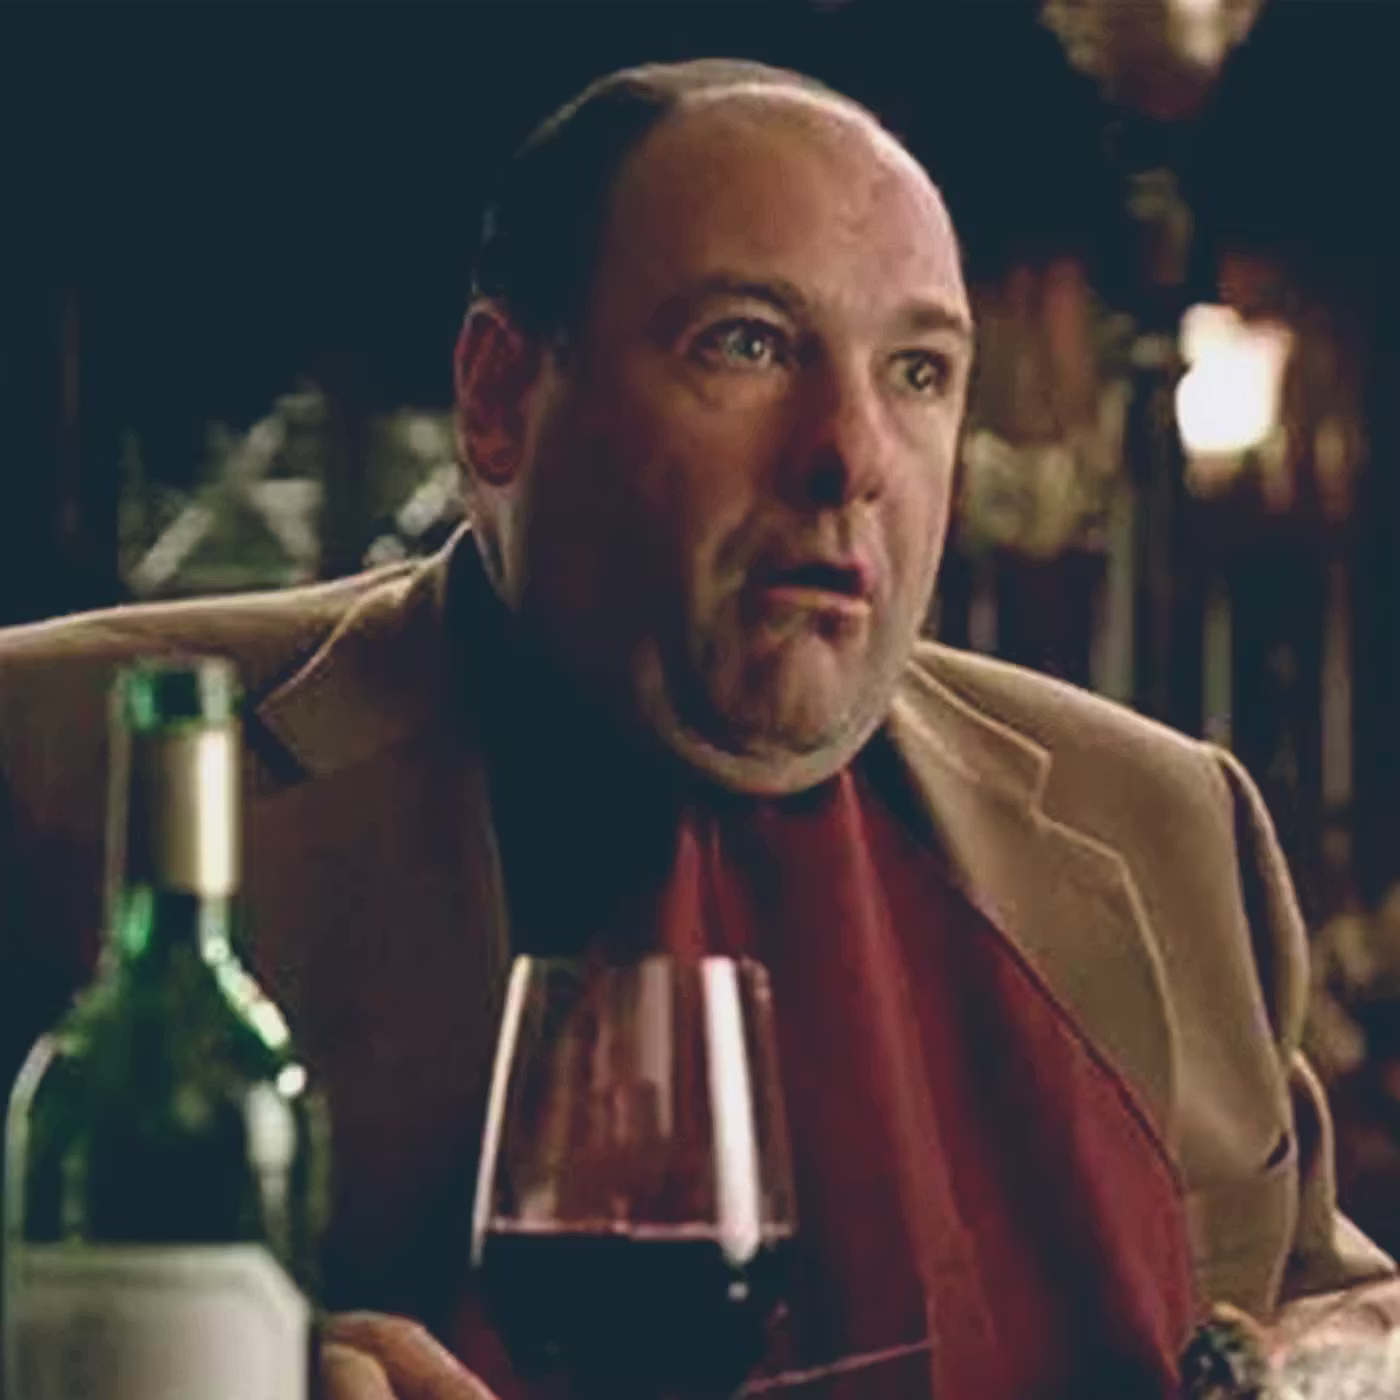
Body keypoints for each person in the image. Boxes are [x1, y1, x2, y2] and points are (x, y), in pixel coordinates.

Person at [1, 58, 1396, 1399]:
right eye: (747, 344)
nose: (850, 456)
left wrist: (1332, 1361)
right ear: (498, 398)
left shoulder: (1162, 825)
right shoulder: (51, 763)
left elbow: (1317, 1317)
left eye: (918, 372)